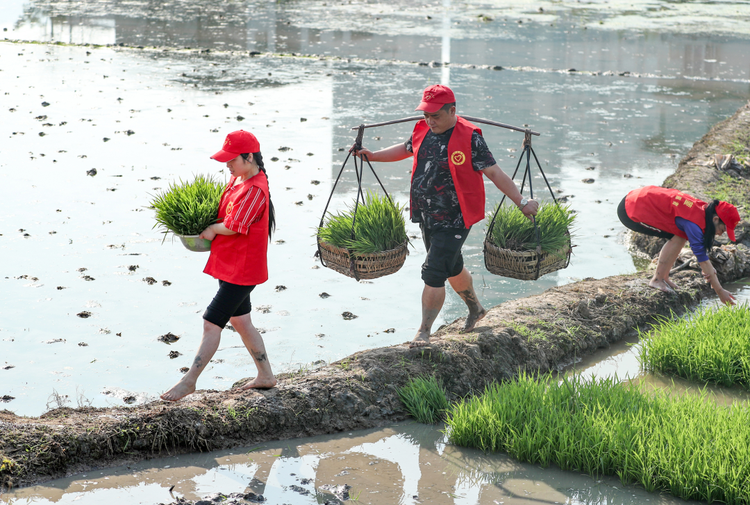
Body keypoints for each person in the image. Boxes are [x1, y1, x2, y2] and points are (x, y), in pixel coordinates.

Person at [353, 84, 539, 347]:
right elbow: (406, 149)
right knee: (452, 266)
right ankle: (476, 309)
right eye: (426, 115)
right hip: (427, 213)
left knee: (433, 271)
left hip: (456, 217)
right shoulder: (422, 130)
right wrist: (372, 157)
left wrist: (521, 202)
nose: (430, 121)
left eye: (436, 116)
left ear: (452, 111)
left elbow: (495, 173)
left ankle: (424, 332)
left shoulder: (470, 137)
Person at [161, 130, 278, 401]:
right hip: (230, 263)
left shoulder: (255, 190)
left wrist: (213, 228)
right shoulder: (239, 179)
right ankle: (266, 376)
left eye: (232, 160)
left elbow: (236, 225)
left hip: (243, 270)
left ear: (249, 158)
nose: (228, 166)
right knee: (240, 321)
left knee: (211, 323)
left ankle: (189, 382)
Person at [618, 185, 740, 306]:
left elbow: (704, 260)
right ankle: (656, 280)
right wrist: (720, 291)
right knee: (676, 237)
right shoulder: (694, 225)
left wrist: (710, 270)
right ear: (715, 219)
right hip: (630, 208)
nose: (720, 234)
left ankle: (663, 276)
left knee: (680, 236)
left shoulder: (703, 210)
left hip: (639, 196)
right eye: (722, 229)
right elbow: (702, 259)